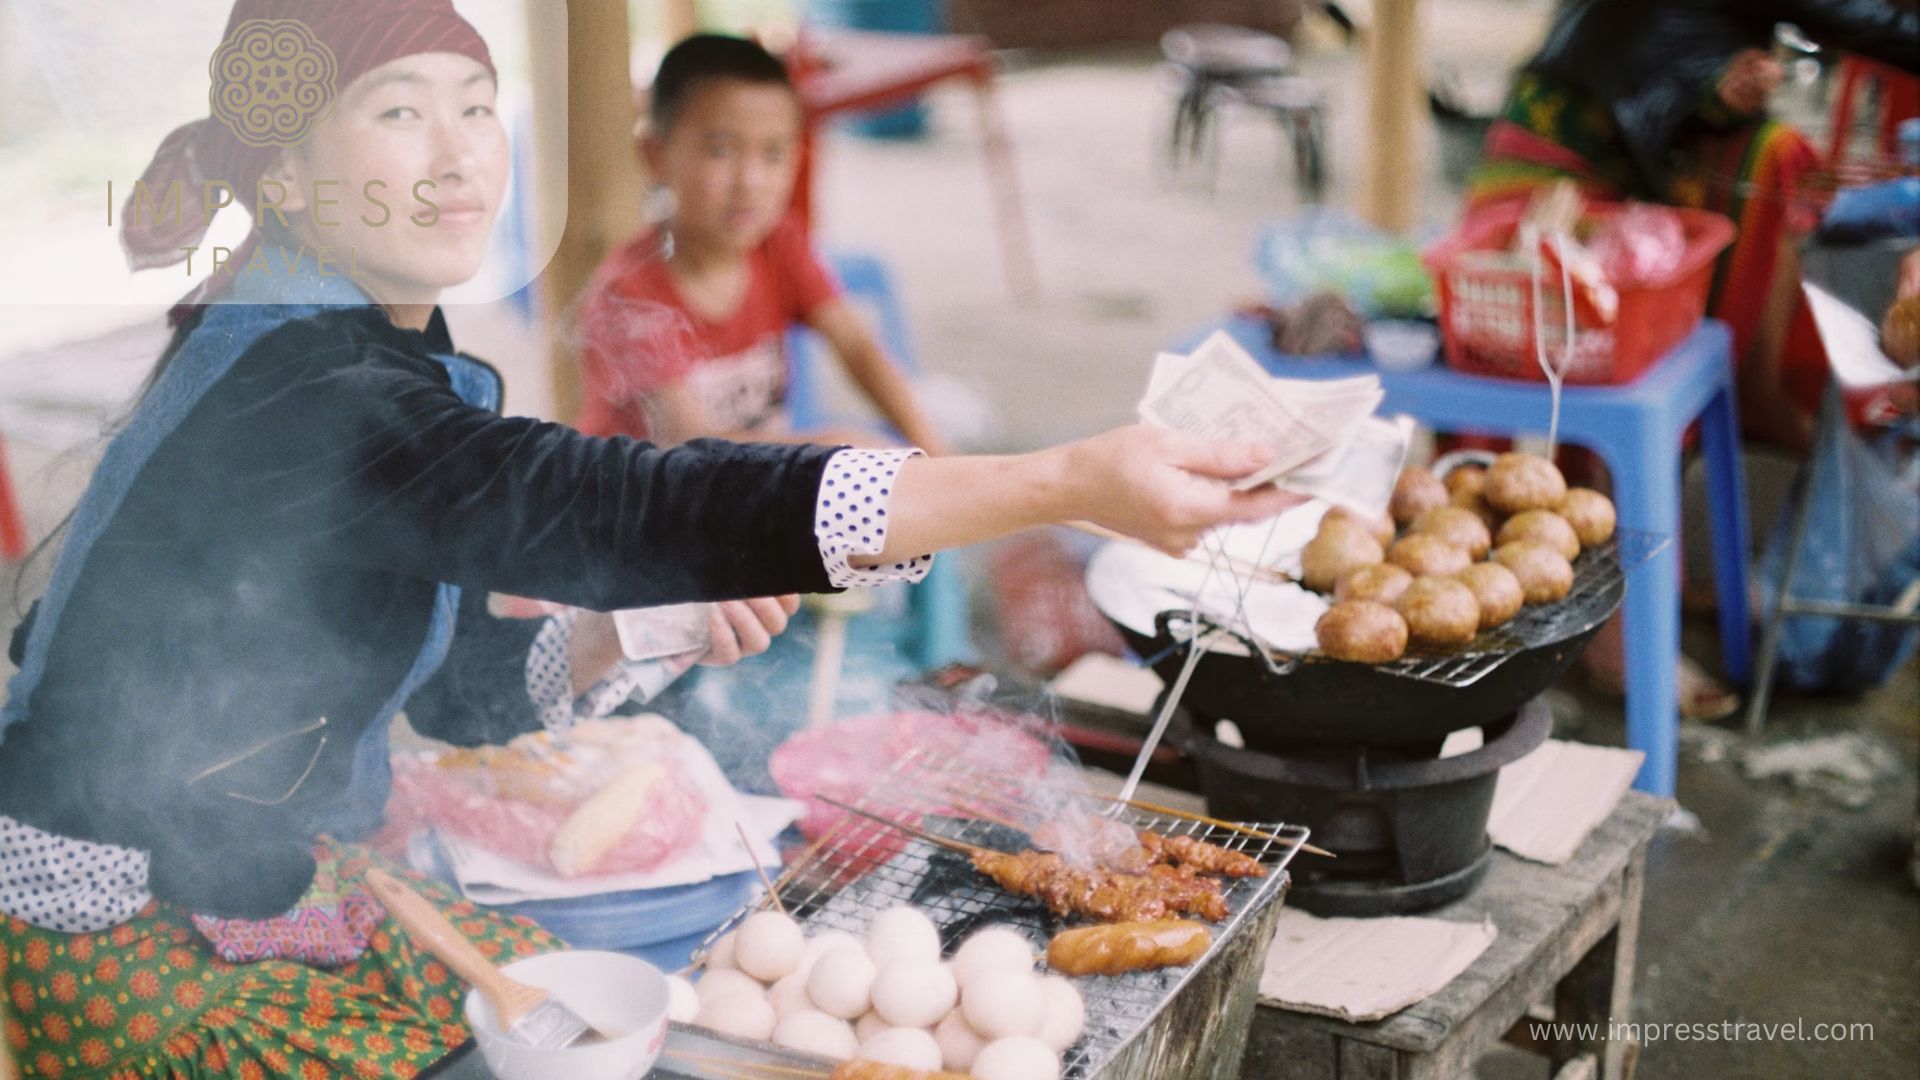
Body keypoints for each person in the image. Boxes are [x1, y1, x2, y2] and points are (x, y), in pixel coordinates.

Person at [0, 2, 1297, 1075]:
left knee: (575, 1016)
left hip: (271, 855)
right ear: (281, 170)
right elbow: (629, 500)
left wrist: (639, 622)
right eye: (399, 113)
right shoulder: (298, 393)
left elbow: (451, 694)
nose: (460, 154)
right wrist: (1065, 479)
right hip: (115, 900)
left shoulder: (369, 341)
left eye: (472, 103)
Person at [1465, 0, 1918, 719]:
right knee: (1618, 381)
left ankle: (1643, 589)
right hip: (1559, 167)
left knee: (1772, 172)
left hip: (1633, 148)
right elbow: (1862, 21)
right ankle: (1615, 626)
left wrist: (1713, 81)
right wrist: (1711, 81)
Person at [1469, 0, 1918, 451]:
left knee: (1530, 345)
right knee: (1505, 333)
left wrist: (1716, 92)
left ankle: (1716, 413)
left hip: (1581, 123)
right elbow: (1877, 25)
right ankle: (1748, 396)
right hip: (1563, 147)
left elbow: (1666, 53)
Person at [572, 34, 951, 453]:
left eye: (773, 154)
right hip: (643, 509)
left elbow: (858, 349)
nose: (751, 182)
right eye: (720, 150)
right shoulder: (627, 296)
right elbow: (691, 448)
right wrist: (836, 450)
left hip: (750, 489)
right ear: (654, 155)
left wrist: (937, 455)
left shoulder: (777, 244)